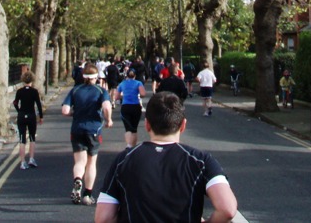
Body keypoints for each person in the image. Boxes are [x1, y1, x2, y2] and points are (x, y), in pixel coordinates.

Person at [94, 92, 239, 223]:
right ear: (183, 125)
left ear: (147, 125)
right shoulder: (201, 160)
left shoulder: (123, 160)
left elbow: (103, 218)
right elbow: (227, 209)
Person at [62, 61, 114, 205]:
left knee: (79, 161)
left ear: (83, 76)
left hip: (77, 129)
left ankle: (77, 180)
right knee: (91, 162)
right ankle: (87, 195)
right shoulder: (100, 91)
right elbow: (106, 107)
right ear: (96, 77)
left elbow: (65, 110)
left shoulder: (75, 90)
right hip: (94, 130)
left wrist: (74, 112)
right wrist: (108, 119)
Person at [12, 70, 44, 170]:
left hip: (21, 116)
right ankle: (31, 159)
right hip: (31, 116)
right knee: (32, 138)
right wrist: (41, 117)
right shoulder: (34, 92)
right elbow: (38, 105)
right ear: (32, 80)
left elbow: (15, 103)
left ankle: (22, 162)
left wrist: (19, 111)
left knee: (22, 139)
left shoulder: (19, 91)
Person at [116, 68, 146, 148]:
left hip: (125, 106)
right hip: (136, 106)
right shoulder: (138, 83)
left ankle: (129, 145)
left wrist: (123, 95)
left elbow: (116, 97)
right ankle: (134, 146)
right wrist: (137, 94)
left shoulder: (122, 84)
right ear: (135, 76)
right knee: (134, 128)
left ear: (127, 75)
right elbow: (143, 94)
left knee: (128, 128)